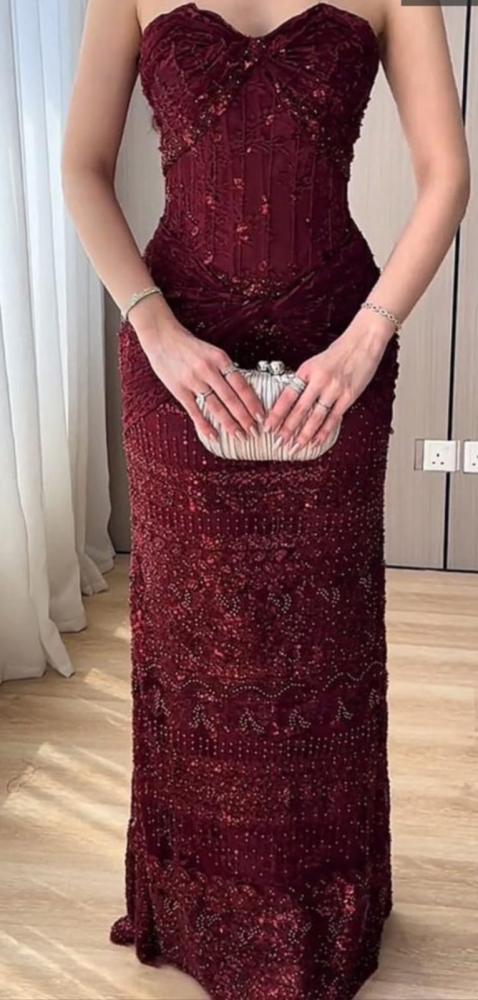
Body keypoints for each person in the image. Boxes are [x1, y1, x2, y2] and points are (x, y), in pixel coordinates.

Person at [61, 1, 470, 997]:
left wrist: (367, 338)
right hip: (176, 352)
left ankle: (321, 910)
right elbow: (82, 166)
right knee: (193, 638)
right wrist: (153, 325)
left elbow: (446, 174)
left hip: (338, 349)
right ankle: (196, 906)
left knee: (321, 643)